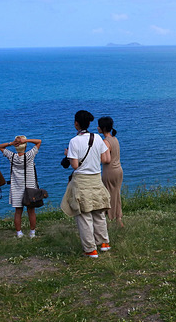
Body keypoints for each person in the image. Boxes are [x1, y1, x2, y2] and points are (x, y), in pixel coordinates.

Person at [60, 110, 111, 258]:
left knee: (84, 214)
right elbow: (103, 158)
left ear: (76, 123)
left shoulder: (74, 141)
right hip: (96, 178)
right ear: (89, 123)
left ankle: (90, 249)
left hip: (82, 180)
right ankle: (104, 243)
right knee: (99, 211)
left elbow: (75, 165)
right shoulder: (97, 138)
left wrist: (68, 156)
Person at [0, 135, 43, 238]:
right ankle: (32, 233)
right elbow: (39, 141)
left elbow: (0, 147)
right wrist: (26, 140)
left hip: (16, 188)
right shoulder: (29, 155)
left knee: (18, 212)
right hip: (30, 187)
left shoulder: (12, 156)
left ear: (16, 146)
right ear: (25, 145)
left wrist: (11, 143)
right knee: (31, 211)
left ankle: (19, 233)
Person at [98, 116, 124, 228]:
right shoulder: (115, 139)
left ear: (102, 128)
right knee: (116, 194)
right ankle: (118, 218)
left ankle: (109, 217)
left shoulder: (105, 142)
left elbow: (106, 159)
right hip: (118, 170)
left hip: (110, 171)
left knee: (107, 195)